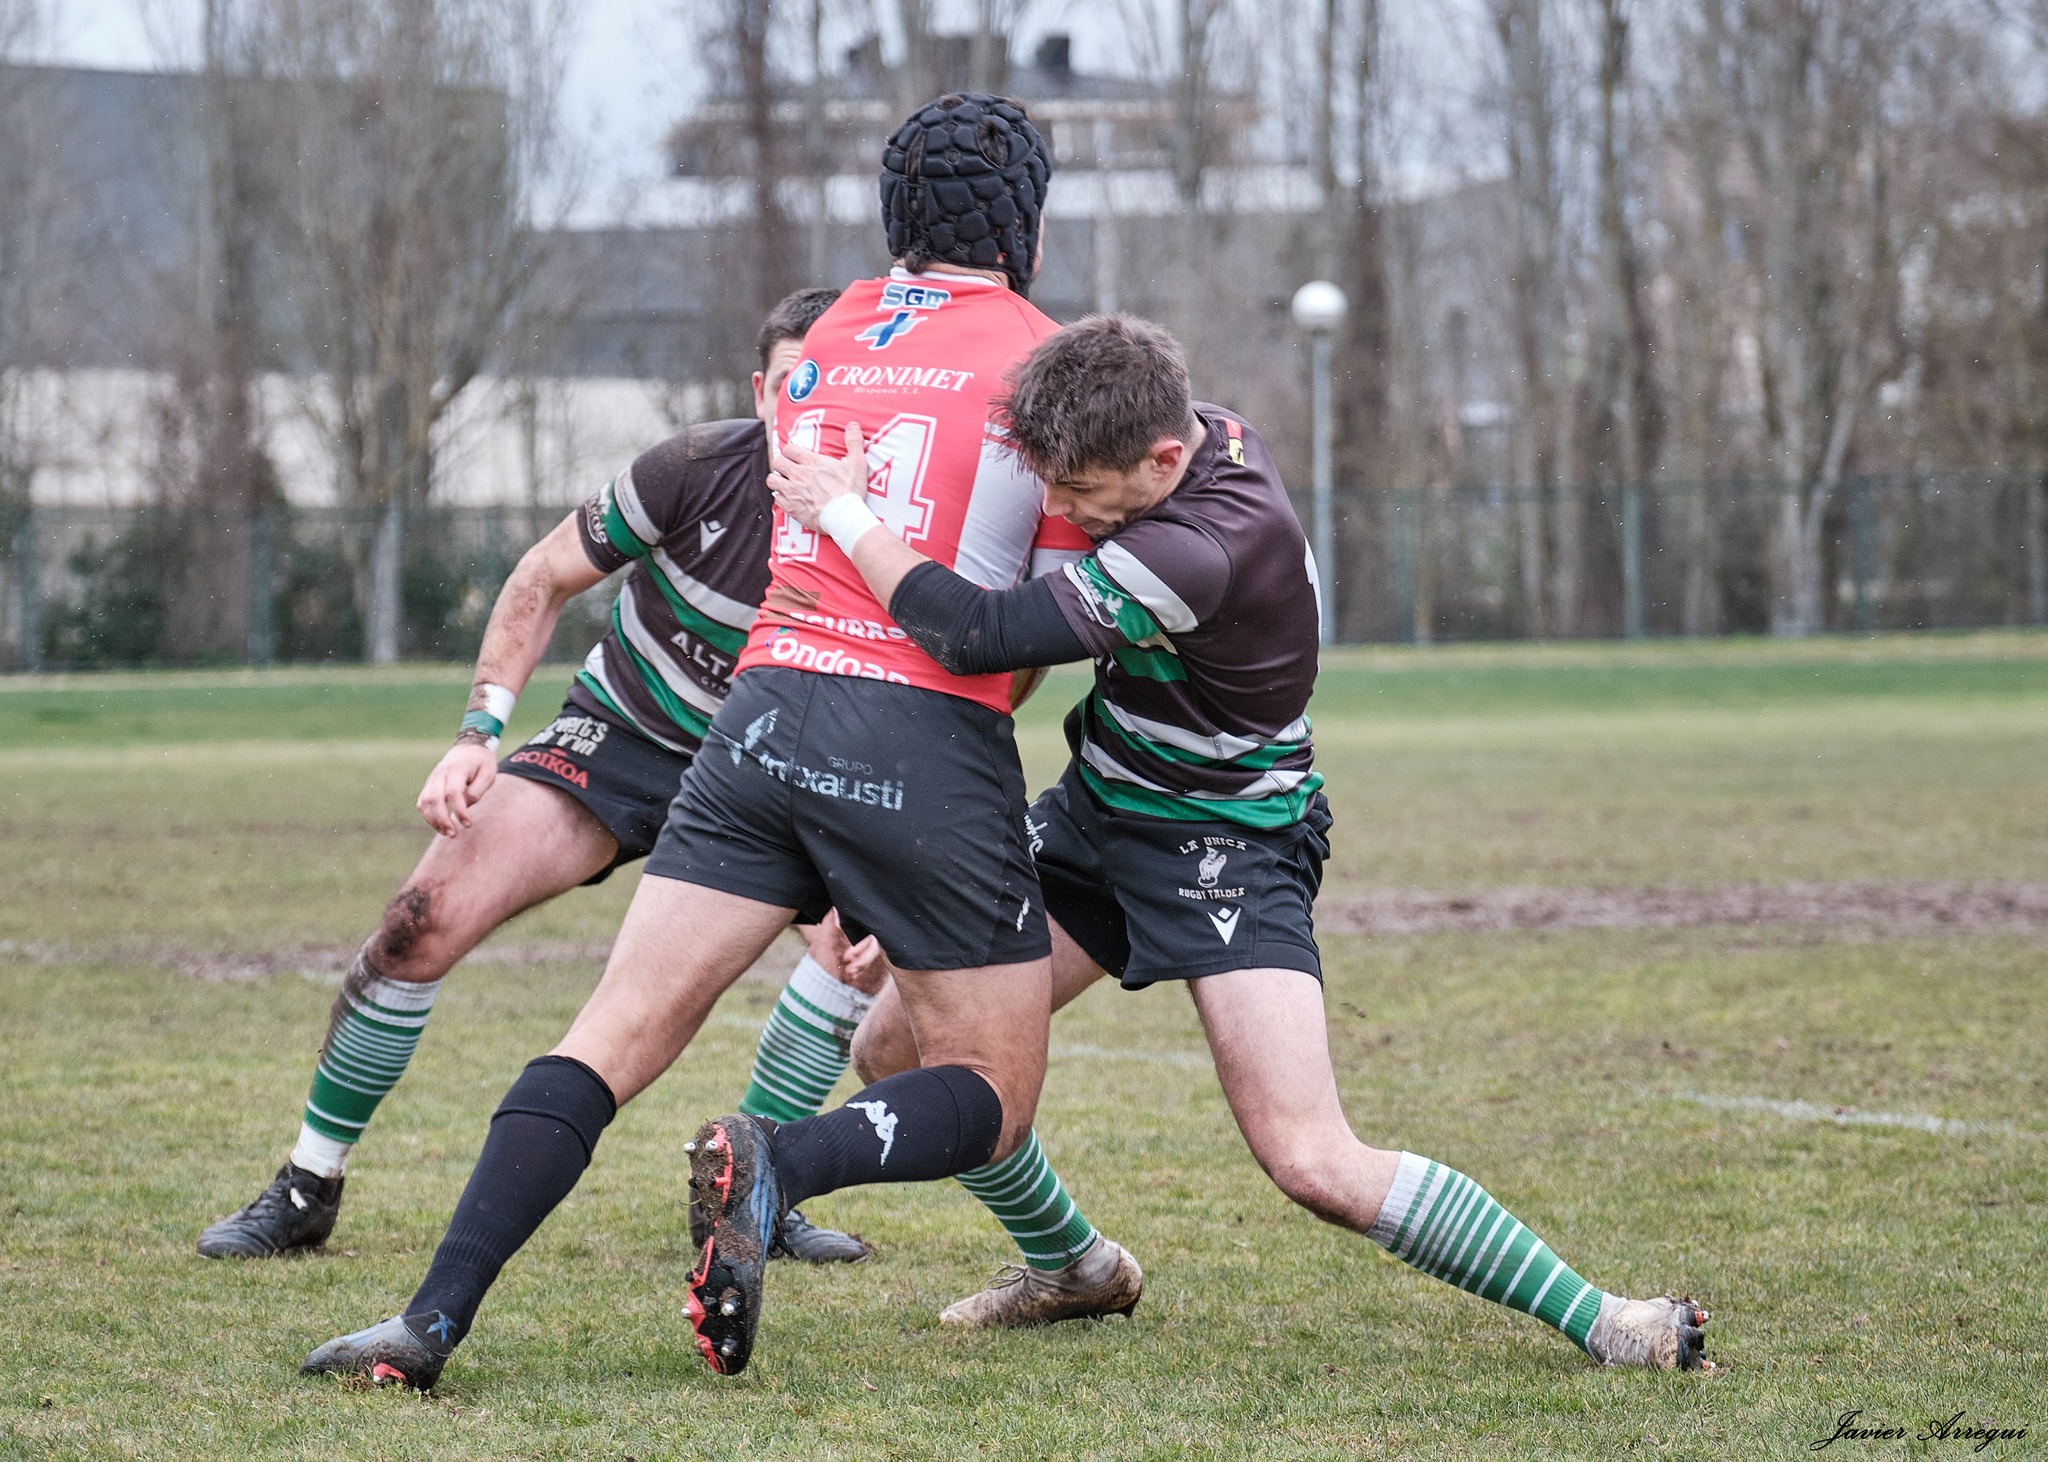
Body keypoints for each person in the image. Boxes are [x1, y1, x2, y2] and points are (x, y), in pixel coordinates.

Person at [300, 91, 1135, 1390]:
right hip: (925, 732)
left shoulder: (828, 339)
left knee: (611, 1034)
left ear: (890, 215)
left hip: (755, 722)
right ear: (1026, 220)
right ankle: (776, 1156)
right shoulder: (1051, 361)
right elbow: (1028, 623)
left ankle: (427, 1319)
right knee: (990, 1091)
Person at [768, 312, 1713, 1370]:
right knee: (897, 1049)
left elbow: (978, 634)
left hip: (1225, 841)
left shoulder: (1197, 547)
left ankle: (1607, 1319)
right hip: (1098, 814)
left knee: (1310, 1160)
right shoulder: (1178, 434)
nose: (1056, 510)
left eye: (1074, 489)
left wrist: (843, 513)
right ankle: (1074, 1268)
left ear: (1163, 460)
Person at [197, 288, 876, 1267]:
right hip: (626, 734)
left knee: (854, 947)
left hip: (775, 774)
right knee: (418, 916)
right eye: (789, 385)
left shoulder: (893, 522)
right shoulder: (686, 470)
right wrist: (477, 732)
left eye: (830, 388)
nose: (805, 409)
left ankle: (752, 1197)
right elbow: (541, 575)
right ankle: (307, 1183)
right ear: (760, 390)